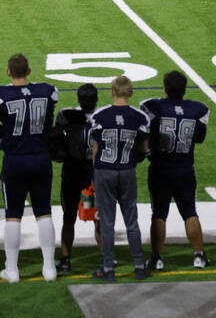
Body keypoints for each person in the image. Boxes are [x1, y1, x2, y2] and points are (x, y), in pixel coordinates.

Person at [0, 53, 59, 284]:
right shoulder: (47, 91)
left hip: (15, 161)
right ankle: (49, 268)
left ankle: (12, 270)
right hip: (41, 158)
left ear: (8, 72)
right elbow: (48, 123)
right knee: (44, 212)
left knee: (13, 216)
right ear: (29, 71)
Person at [141, 71, 210, 270]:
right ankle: (198, 255)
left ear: (165, 88)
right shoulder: (198, 109)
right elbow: (200, 138)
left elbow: (146, 125)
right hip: (184, 169)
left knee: (159, 214)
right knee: (190, 212)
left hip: (160, 169)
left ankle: (157, 258)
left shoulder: (153, 106)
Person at [88, 76, 151, 281]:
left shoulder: (99, 116)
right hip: (127, 170)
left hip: (104, 170)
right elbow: (144, 149)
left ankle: (108, 268)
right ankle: (140, 266)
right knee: (131, 220)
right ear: (130, 92)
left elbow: (95, 150)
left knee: (107, 222)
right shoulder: (140, 117)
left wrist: (95, 174)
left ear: (112, 91)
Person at [50, 84, 98, 272]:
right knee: (96, 215)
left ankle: (66, 259)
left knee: (69, 217)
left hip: (72, 171)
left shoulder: (67, 114)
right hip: (91, 174)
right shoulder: (102, 117)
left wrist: (58, 151)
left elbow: (55, 135)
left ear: (78, 99)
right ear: (97, 100)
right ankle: (105, 258)